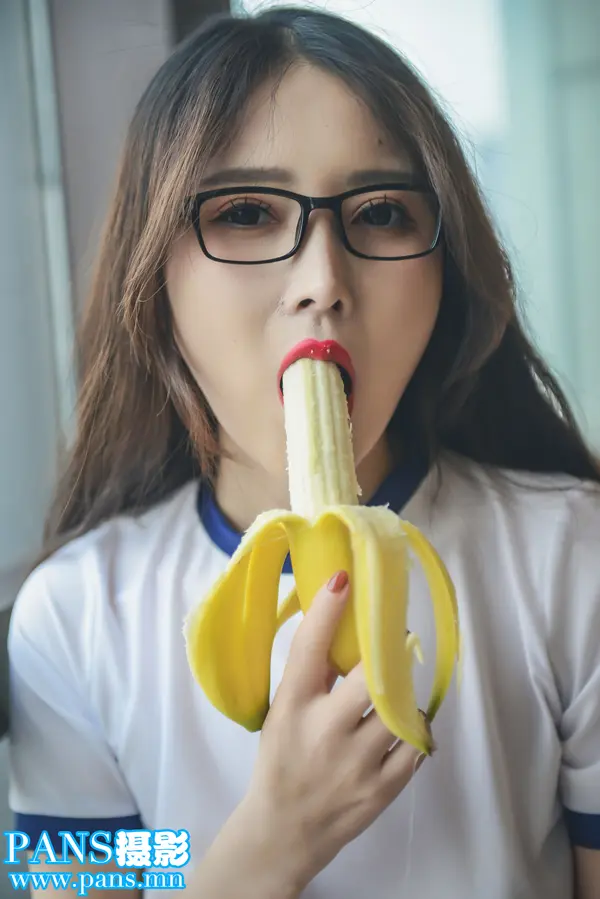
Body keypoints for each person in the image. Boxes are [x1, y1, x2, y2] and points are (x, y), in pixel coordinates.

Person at [7, 6, 600, 899]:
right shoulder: (75, 623)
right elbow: (95, 882)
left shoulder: (573, 566)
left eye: (383, 212)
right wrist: (269, 846)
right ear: (153, 275)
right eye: (246, 212)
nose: (322, 282)